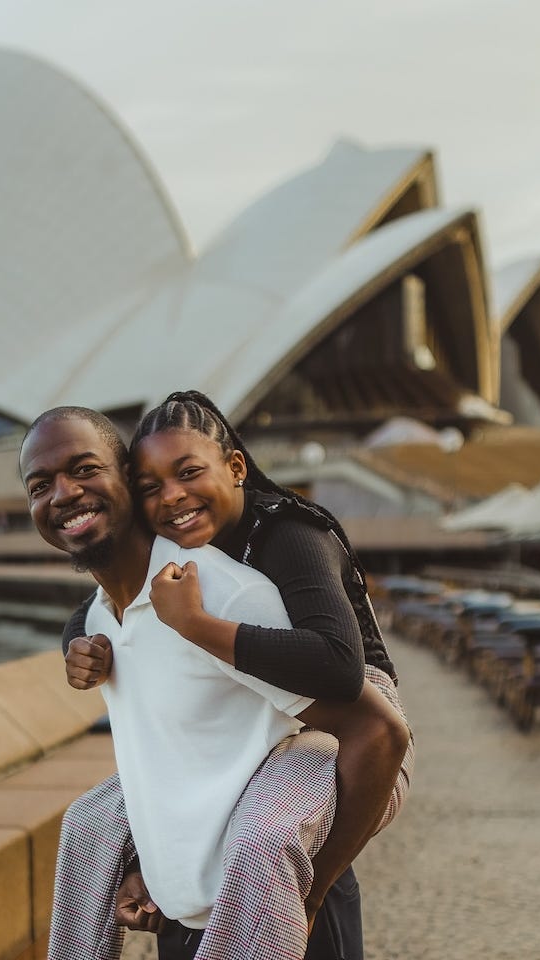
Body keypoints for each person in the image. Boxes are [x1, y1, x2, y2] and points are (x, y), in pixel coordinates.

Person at [21, 407, 407, 960]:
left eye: (84, 470)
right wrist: (149, 864)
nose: (63, 493)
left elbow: (377, 729)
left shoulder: (224, 594)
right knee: (89, 818)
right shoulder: (99, 622)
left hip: (276, 915)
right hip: (181, 920)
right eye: (40, 485)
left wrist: (312, 890)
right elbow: (177, 762)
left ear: (122, 480)